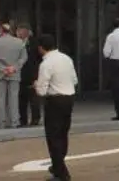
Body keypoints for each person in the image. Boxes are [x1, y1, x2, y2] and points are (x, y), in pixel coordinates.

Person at [34, 34, 78, 181]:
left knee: (53, 137)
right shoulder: (66, 58)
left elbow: (41, 90)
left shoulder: (46, 64)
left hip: (55, 100)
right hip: (69, 98)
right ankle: (57, 164)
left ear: (41, 48)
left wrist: (36, 85)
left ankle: (61, 173)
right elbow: (74, 80)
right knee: (63, 133)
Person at [0, 23, 28, 129]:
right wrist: (14, 67)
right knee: (14, 98)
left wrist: (3, 68)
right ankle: (14, 122)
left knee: (0, 99)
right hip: (14, 73)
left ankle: (1, 122)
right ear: (11, 31)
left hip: (0, 74)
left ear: (1, 30)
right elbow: (24, 58)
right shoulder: (19, 42)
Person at [17, 26, 42, 127]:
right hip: (19, 75)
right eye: (18, 32)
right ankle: (23, 120)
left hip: (32, 75)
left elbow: (39, 58)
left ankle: (35, 119)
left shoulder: (34, 43)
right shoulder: (16, 43)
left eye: (20, 32)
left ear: (26, 32)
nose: (19, 34)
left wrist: (38, 74)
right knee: (21, 100)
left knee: (34, 99)